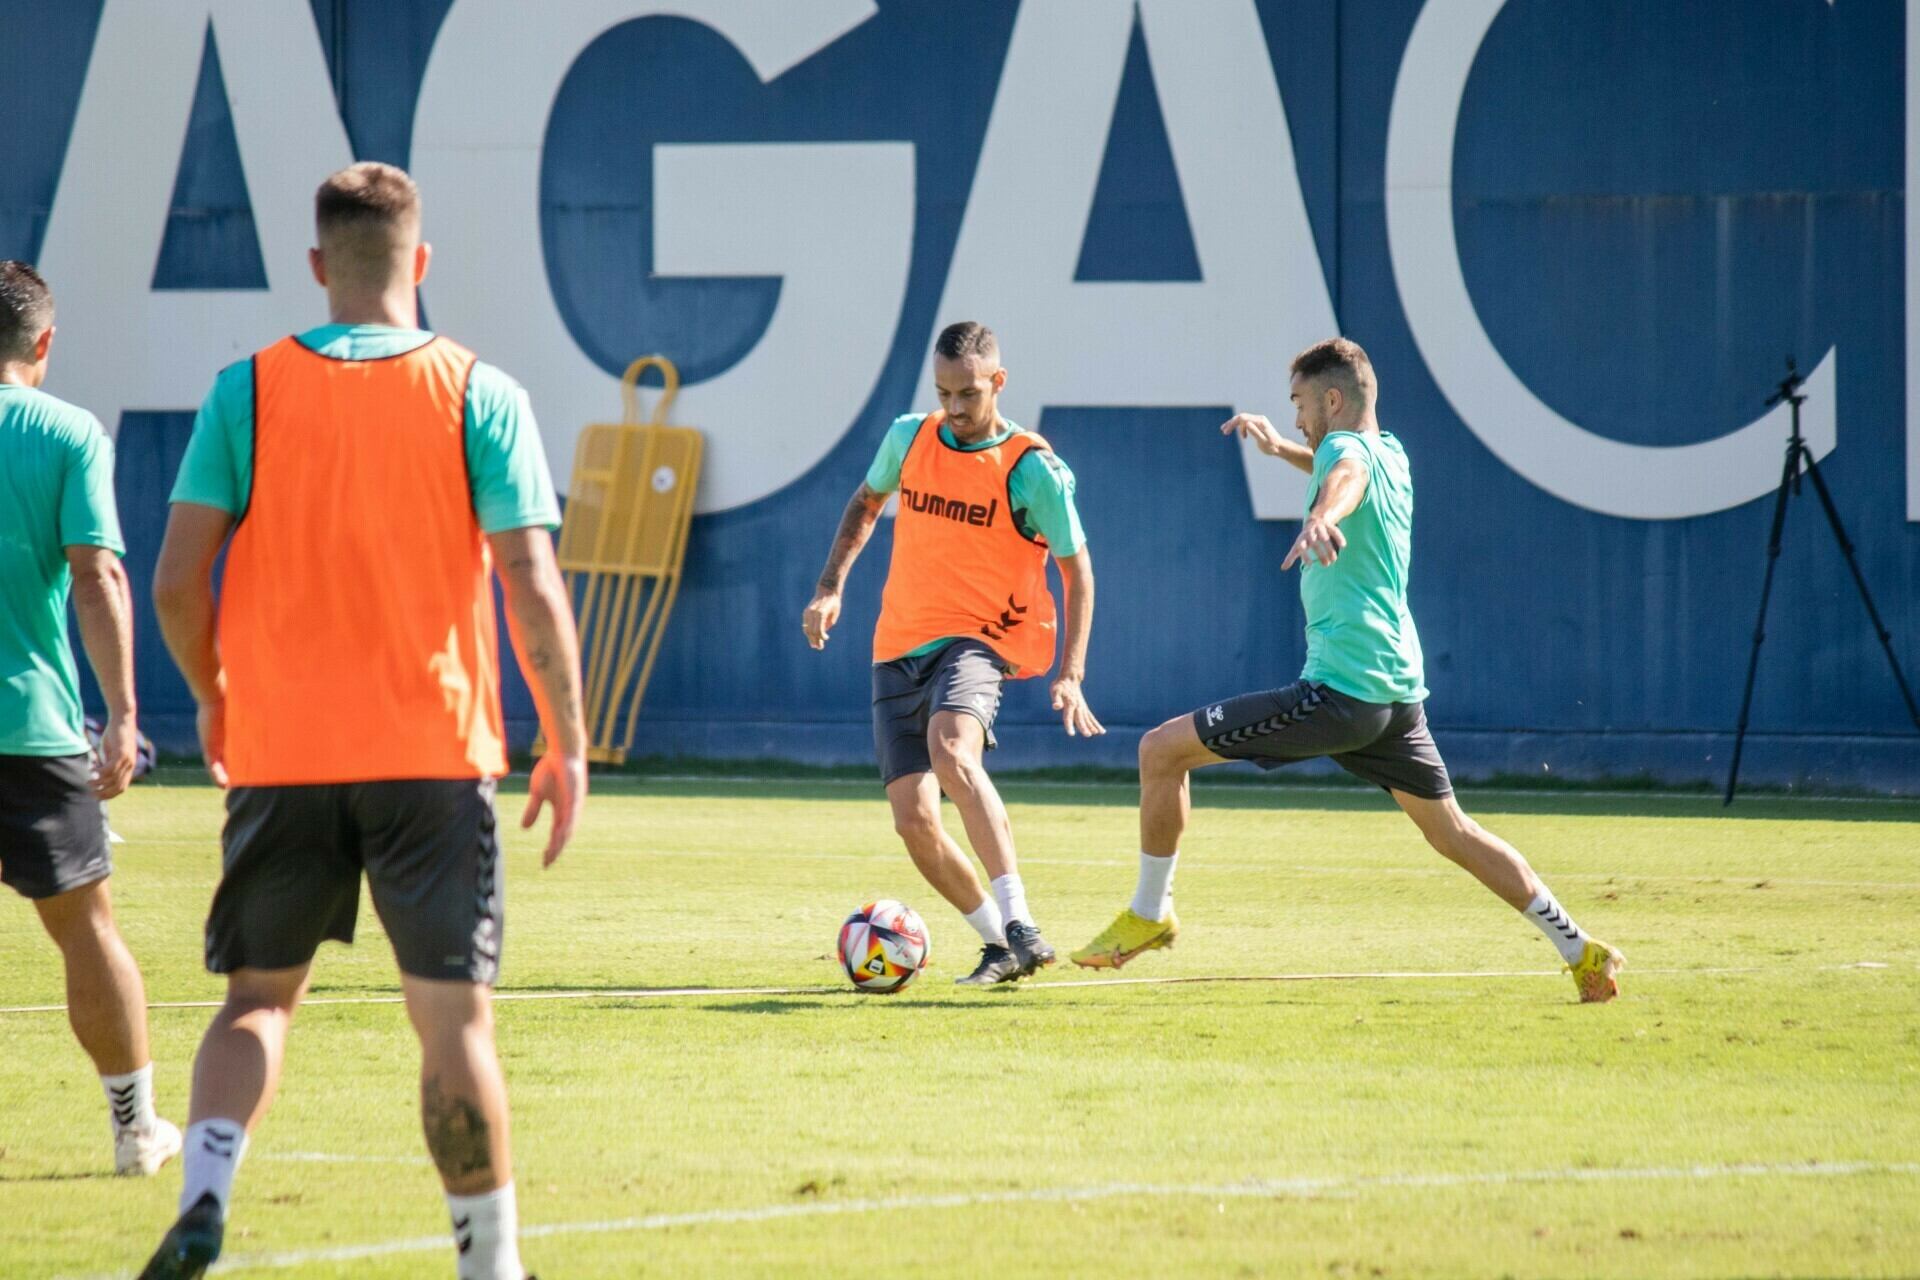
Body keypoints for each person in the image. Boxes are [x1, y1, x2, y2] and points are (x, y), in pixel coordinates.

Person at [140, 163, 587, 1280]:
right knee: (454, 1027)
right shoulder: (481, 390)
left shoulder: (246, 389)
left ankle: (201, 1198)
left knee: (254, 1002)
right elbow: (532, 580)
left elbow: (176, 583)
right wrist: (567, 738)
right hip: (431, 755)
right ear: (420, 263)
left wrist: (213, 692)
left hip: (281, 753)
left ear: (314, 267)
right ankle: (490, 1263)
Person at [1071, 338, 1625, 1003]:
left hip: (1342, 692)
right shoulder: (1392, 452)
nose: (1299, 418)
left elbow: (1342, 477)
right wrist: (1284, 453)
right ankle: (1580, 949)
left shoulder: (1347, 457)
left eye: (1301, 404)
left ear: (1333, 399)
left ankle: (1150, 913)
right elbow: (1348, 464)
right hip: (1396, 695)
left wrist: (1321, 516)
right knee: (1453, 833)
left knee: (1159, 751)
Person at [803, 321, 1102, 986]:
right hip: (895, 645)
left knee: (952, 750)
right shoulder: (910, 437)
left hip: (977, 641)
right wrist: (830, 588)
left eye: (969, 393)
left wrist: (1072, 672)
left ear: (998, 382)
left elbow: (1077, 571)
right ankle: (1001, 945)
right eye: (944, 393)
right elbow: (866, 502)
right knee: (914, 821)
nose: (956, 408)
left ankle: (1022, 919)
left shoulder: (1031, 468)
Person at [0, 260, 181, 1176]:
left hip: (30, 727)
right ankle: (135, 1130)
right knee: (86, 930)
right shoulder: (66, 431)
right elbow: (98, 575)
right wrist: (124, 714)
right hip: (28, 726)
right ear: (45, 343)